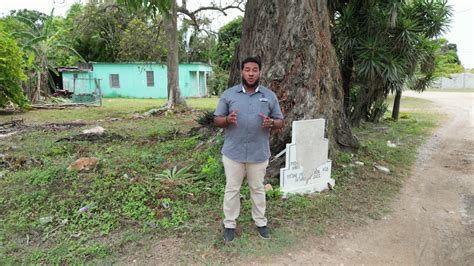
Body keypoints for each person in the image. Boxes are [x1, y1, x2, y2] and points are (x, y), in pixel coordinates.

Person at [213, 56, 284, 242]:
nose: (251, 73)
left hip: (258, 153)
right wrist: (227, 120)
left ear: (259, 72)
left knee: (257, 189)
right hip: (233, 153)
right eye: (247, 69)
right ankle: (229, 224)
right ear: (242, 72)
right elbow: (216, 119)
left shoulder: (269, 96)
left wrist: (272, 123)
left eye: (254, 70)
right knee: (232, 189)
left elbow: (280, 121)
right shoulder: (229, 94)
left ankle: (261, 223)